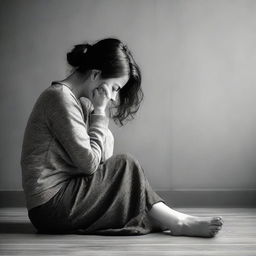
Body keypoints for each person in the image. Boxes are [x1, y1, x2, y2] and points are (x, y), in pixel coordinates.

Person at [21, 38, 223, 237]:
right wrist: (100, 112)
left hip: (61, 199)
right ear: (96, 75)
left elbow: (103, 158)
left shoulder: (79, 102)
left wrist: (96, 113)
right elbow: (90, 165)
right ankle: (177, 221)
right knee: (127, 164)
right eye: (115, 88)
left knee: (132, 187)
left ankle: (174, 220)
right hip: (49, 207)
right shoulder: (60, 98)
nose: (113, 98)